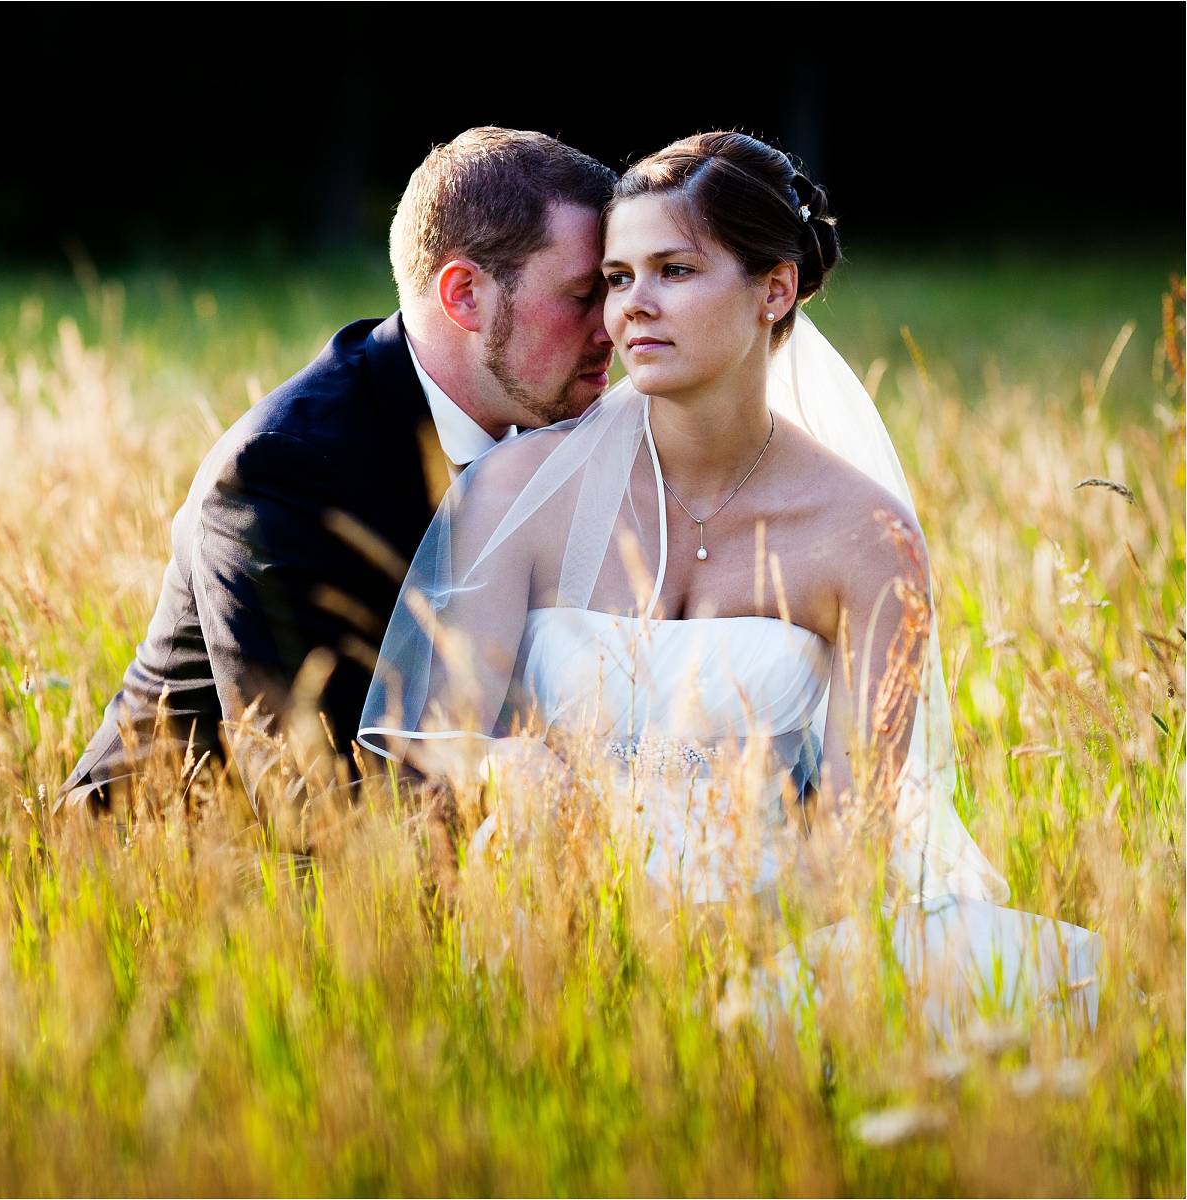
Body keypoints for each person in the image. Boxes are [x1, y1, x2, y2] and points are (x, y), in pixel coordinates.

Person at [359, 131, 1100, 1034]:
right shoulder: (514, 495)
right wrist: (515, 776)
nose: (630, 309)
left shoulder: (866, 538)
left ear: (775, 289)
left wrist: (710, 944)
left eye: (673, 270)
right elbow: (430, 746)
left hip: (788, 934)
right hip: (545, 923)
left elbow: (855, 834)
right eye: (616, 279)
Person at [61, 128, 618, 815]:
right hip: (177, 867)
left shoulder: (573, 432)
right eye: (584, 294)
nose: (614, 325)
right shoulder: (285, 468)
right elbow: (306, 785)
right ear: (465, 295)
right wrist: (496, 775)